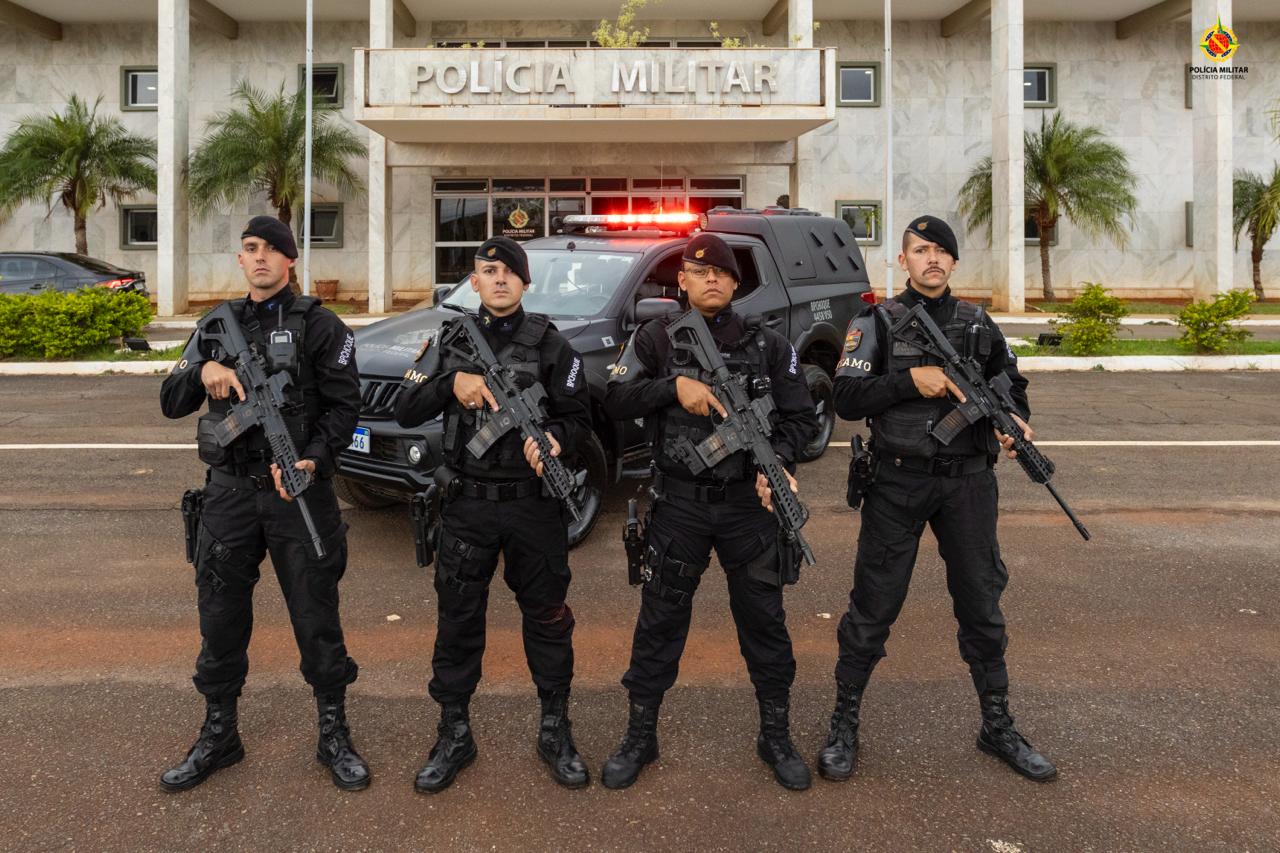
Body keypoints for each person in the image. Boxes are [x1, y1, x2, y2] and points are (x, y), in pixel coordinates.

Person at [819, 215, 1056, 783]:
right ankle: (843, 723)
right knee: (874, 604)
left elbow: (1012, 384)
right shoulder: (876, 321)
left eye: (941, 251)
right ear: (903, 261)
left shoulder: (979, 323)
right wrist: (910, 381)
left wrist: (1013, 421)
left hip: (969, 483)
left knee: (981, 602)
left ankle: (997, 724)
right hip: (897, 481)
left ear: (953, 261)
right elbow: (846, 397)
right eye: (920, 250)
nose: (932, 259)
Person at [599, 232, 819, 791]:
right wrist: (673, 388)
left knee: (765, 622)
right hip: (680, 508)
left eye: (721, 272)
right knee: (659, 622)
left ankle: (776, 736)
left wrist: (780, 461)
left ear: (735, 283)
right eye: (699, 272)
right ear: (683, 281)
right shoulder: (655, 338)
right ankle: (640, 737)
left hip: (749, 509)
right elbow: (615, 399)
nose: (712, 279)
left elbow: (801, 417)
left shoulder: (770, 344)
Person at [158, 216, 369, 792]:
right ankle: (219, 733)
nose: (259, 258)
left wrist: (314, 461)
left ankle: (333, 732)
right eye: (250, 248)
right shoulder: (214, 326)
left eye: (271, 250)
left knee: (315, 613)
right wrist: (205, 369)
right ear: (240, 258)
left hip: (296, 492)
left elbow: (345, 409)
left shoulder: (321, 325)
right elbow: (171, 399)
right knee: (219, 615)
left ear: (290, 260)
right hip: (228, 494)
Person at [393, 236, 592, 793]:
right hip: (468, 506)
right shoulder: (448, 342)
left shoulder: (553, 346)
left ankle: (555, 729)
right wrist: (450, 384)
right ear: (474, 282)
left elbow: (581, 421)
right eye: (488, 270)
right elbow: (405, 408)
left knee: (548, 618)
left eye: (510, 271)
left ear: (526, 282)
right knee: (458, 620)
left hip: (533, 507)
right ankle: (454, 733)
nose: (499, 279)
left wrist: (555, 439)